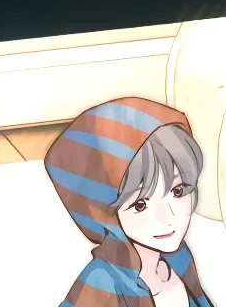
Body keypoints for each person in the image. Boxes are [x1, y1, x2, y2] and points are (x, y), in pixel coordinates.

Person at [46, 97, 214, 307]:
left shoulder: (179, 260)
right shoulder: (102, 283)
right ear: (102, 212)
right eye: (140, 205)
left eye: (178, 191)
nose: (167, 216)